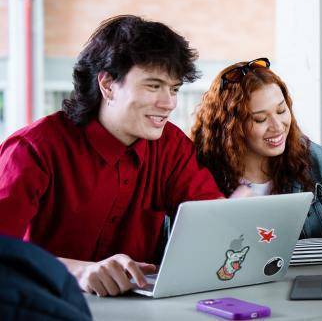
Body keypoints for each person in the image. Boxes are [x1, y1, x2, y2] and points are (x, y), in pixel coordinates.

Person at [0, 15, 224, 297]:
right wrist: (78, 270)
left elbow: (212, 219)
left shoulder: (172, 146)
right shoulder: (33, 149)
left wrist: (236, 214)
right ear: (107, 84)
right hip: (44, 305)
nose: (169, 103)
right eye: (153, 86)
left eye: (174, 89)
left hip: (138, 311)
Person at [191, 58, 322, 239]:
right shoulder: (197, 172)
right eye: (260, 119)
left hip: (309, 278)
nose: (278, 126)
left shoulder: (316, 161)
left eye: (281, 110)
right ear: (231, 126)